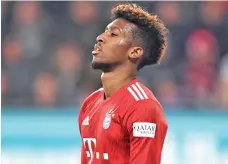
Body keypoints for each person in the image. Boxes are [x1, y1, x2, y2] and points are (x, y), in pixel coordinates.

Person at [78, 3, 168, 164]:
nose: (100, 37)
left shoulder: (143, 106)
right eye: (105, 31)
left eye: (113, 34)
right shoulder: (89, 104)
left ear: (135, 52)